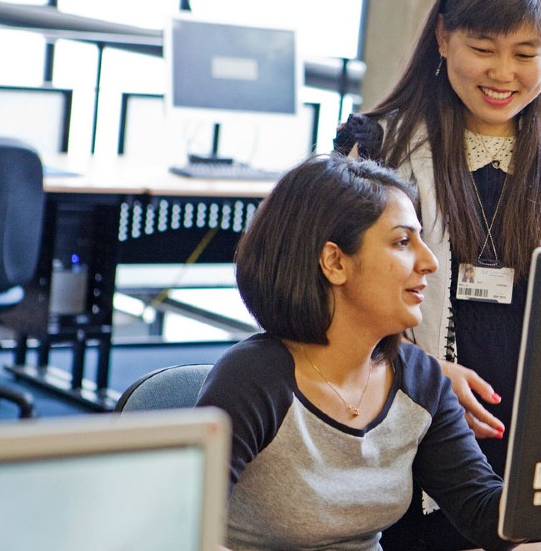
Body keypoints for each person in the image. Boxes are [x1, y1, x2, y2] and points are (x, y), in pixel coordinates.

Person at [334, 0, 541, 547]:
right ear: (443, 37)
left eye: (526, 53)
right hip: (396, 427)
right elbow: (329, 306)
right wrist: (423, 372)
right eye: (483, 49)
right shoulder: (377, 151)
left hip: (528, 438)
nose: (503, 73)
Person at [195, 154, 517, 551]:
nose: (429, 262)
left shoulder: (420, 380)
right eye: (402, 242)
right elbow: (182, 525)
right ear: (334, 261)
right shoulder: (253, 379)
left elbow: (485, 515)